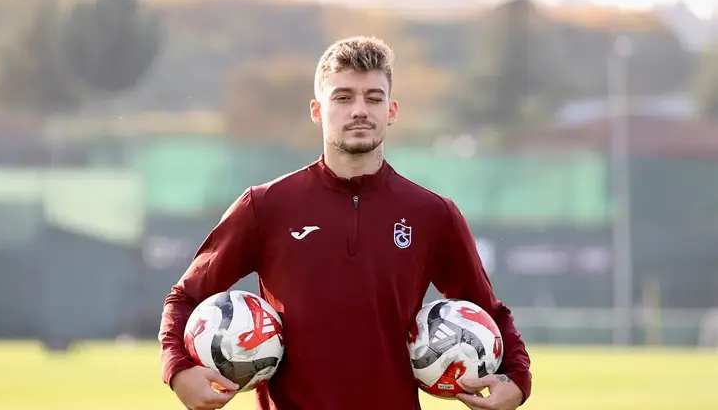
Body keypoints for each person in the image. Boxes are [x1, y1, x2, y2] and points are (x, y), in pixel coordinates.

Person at [158, 35, 532, 410]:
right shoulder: (265, 205)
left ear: (392, 110)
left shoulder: (433, 214)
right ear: (317, 110)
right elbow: (186, 297)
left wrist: (517, 380)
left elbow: (489, 311)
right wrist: (178, 369)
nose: (359, 110)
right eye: (343, 97)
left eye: (373, 98)